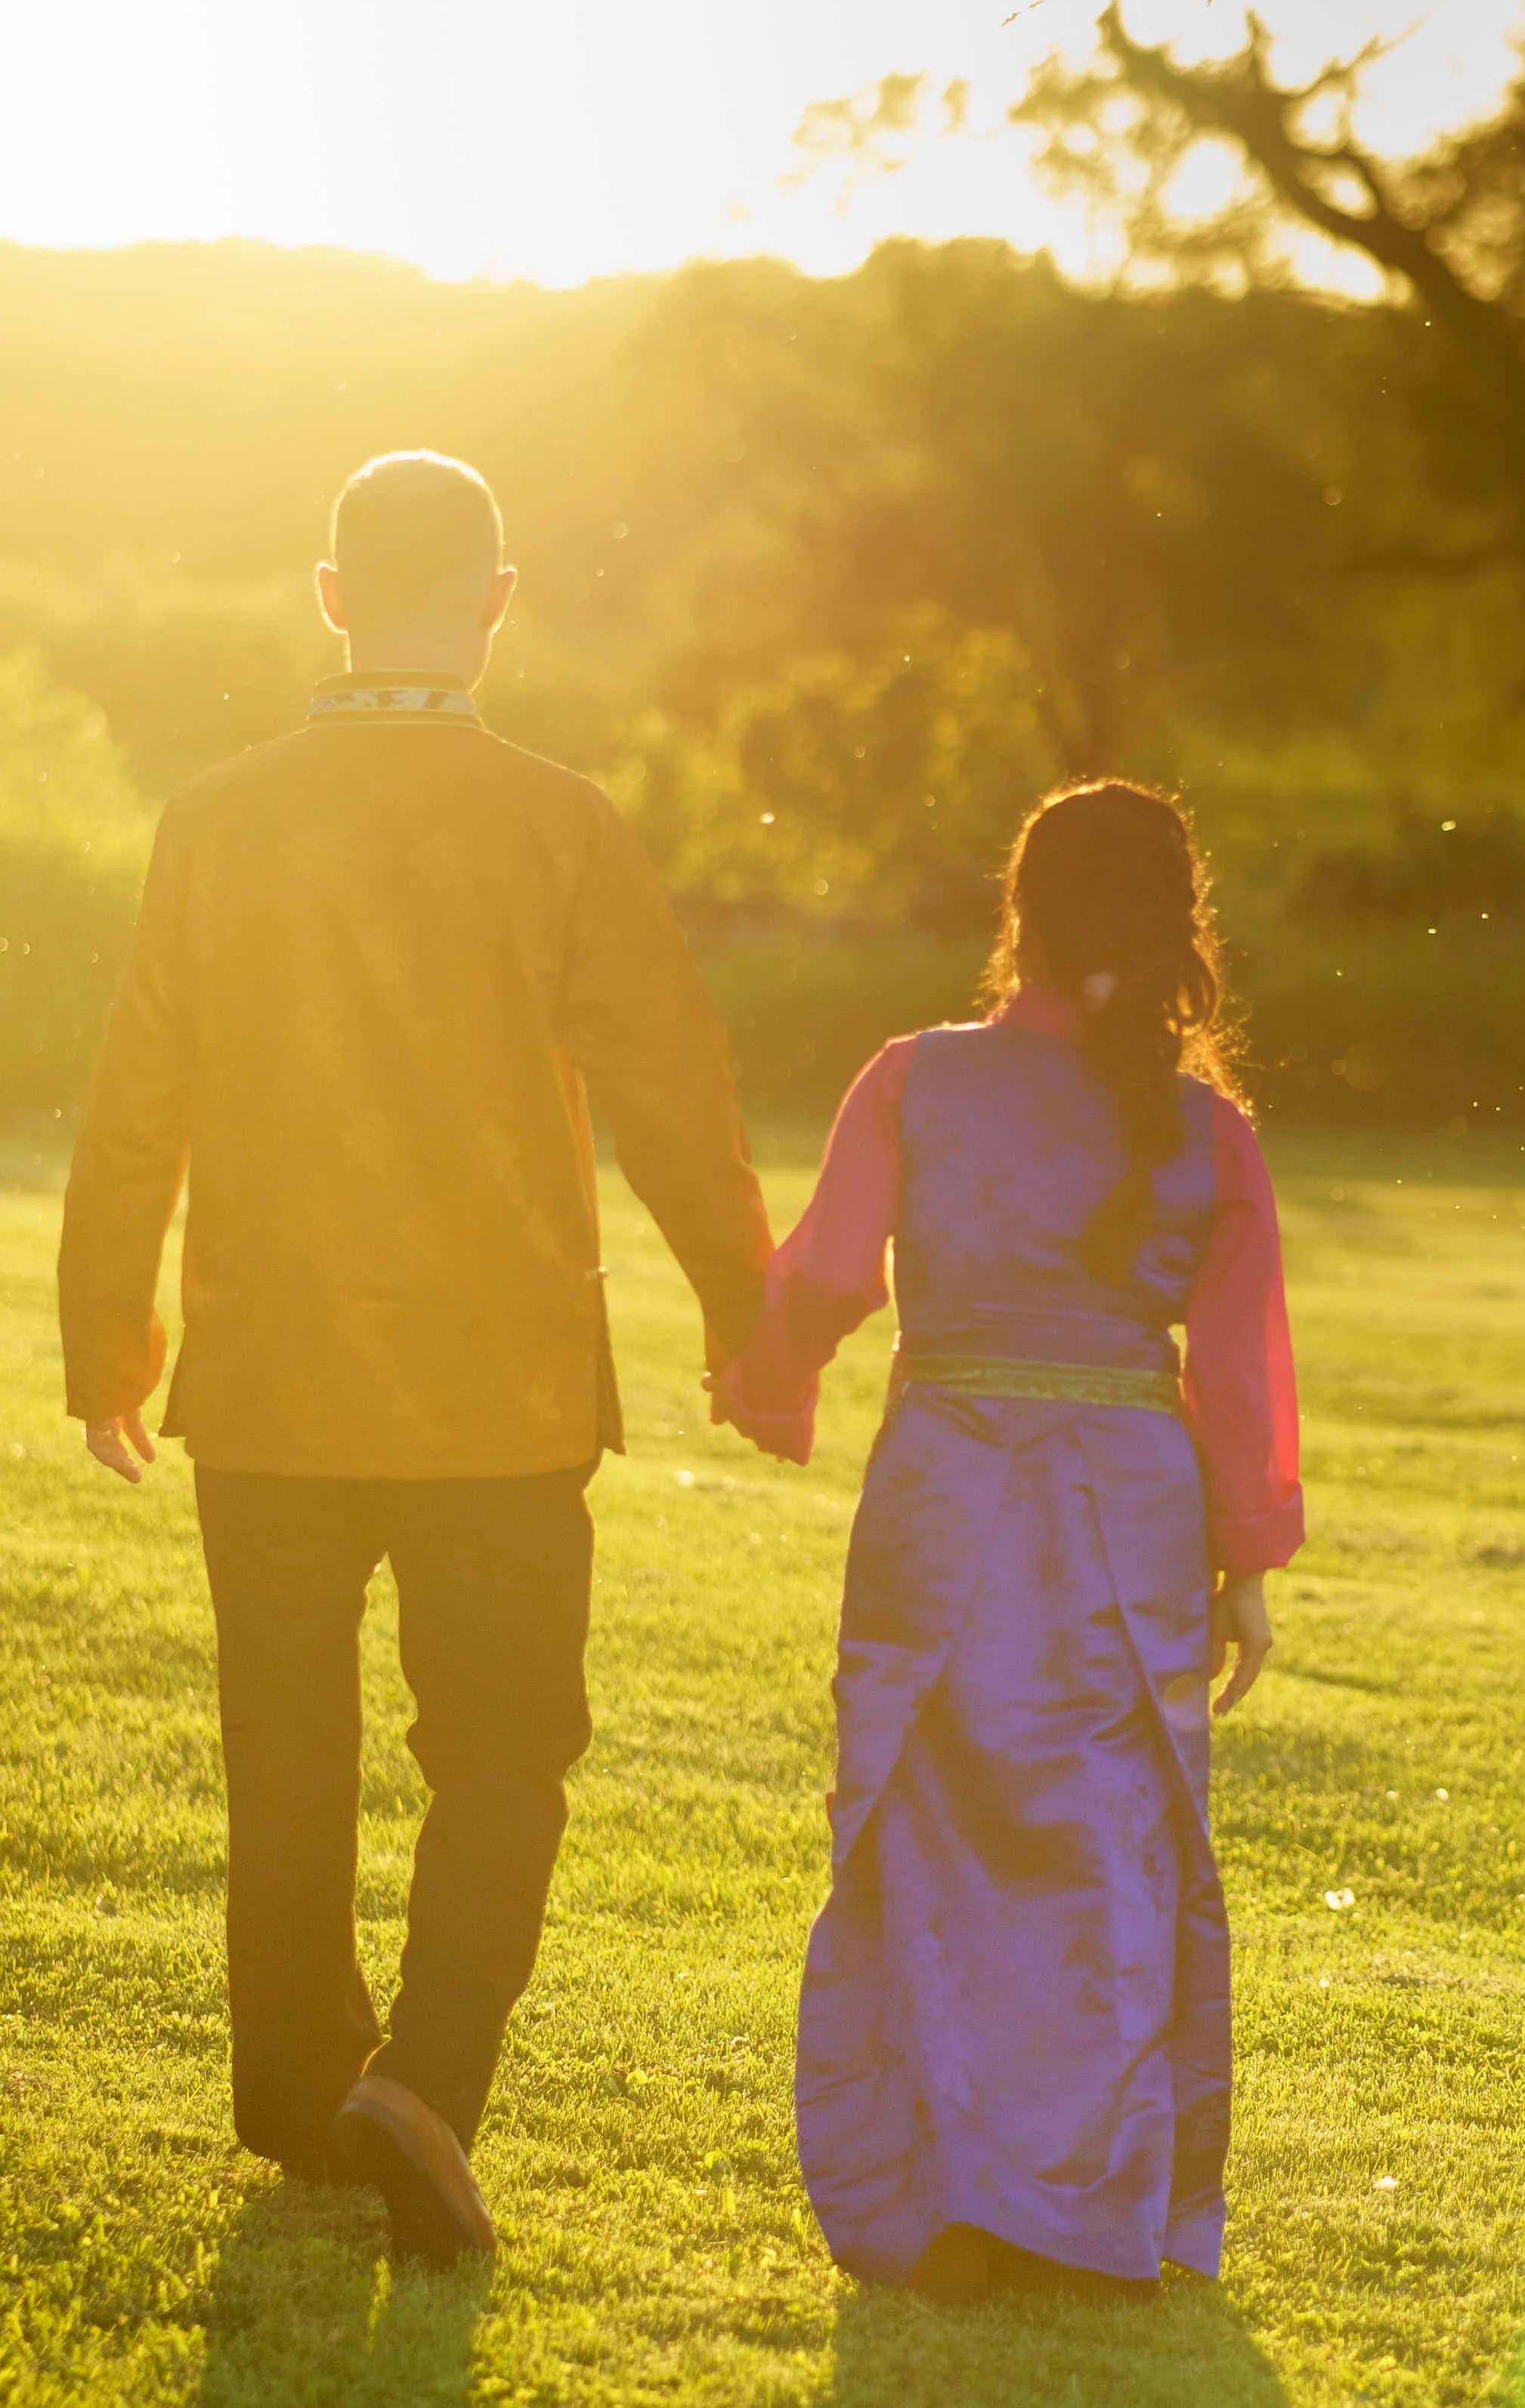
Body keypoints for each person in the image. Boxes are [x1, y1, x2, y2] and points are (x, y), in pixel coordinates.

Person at [57, 450, 771, 2266]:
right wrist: (744, 1310)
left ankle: (307, 2104)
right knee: (507, 1747)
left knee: (282, 1752)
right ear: (499, 598)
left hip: (274, 1382)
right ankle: (426, 2081)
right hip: (499, 1392)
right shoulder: (559, 821)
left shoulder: (216, 817)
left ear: (327, 592)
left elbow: (137, 1098)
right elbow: (676, 1092)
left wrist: (106, 1339)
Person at [712, 779, 1302, 2301]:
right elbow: (1237, 1369)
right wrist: (1243, 1556)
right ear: (1178, 925)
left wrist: (763, 1377)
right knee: (1108, 1846)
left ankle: (943, 2197)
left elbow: (830, 1273)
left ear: (1017, 911)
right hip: (1129, 1503)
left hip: (945, 1485)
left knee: (923, 1823)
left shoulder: (913, 1078)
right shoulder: (1208, 1131)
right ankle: (1090, 2212)